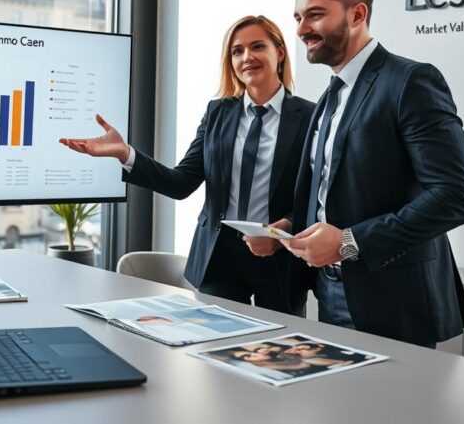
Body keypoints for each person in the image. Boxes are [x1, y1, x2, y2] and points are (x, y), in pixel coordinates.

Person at [278, 0, 464, 348]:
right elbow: (335, 190)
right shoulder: (329, 97)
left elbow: (457, 197)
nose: (301, 30)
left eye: (315, 15)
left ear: (357, 14)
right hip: (328, 291)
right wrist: (292, 226)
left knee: (397, 410)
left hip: (394, 301)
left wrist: (349, 242)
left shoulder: (411, 81)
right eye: (299, 17)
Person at [60, 16, 315, 314]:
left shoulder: (311, 116)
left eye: (258, 46)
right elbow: (181, 182)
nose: (247, 57)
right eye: (237, 51)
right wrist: (127, 154)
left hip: (281, 258)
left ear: (280, 52)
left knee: (281, 352)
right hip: (219, 258)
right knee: (216, 347)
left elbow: (316, 197)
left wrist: (280, 233)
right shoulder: (218, 112)